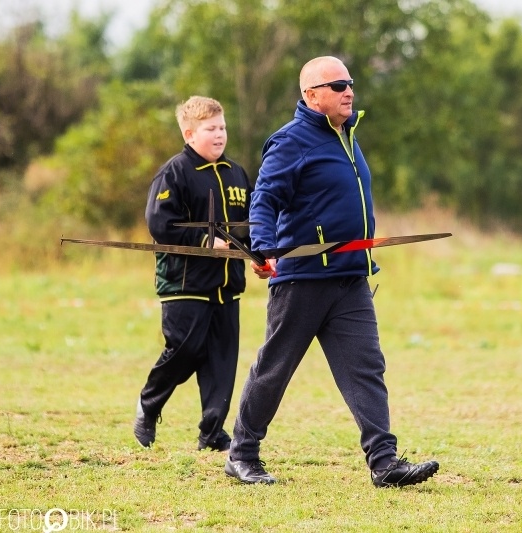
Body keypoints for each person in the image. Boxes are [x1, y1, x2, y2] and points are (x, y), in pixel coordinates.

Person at [224, 56, 440, 487]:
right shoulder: (290, 141)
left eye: (350, 83)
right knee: (275, 368)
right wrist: (263, 247)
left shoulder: (347, 137)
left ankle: (384, 462)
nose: (348, 91)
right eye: (338, 85)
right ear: (311, 96)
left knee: (366, 367)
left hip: (350, 278)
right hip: (303, 279)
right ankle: (242, 454)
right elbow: (264, 199)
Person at [133, 95, 252, 452]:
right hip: (185, 283)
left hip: (227, 284)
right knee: (185, 349)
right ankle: (149, 405)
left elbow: (249, 228)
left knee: (221, 359)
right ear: (189, 133)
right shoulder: (175, 172)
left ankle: (212, 432)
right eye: (211, 129)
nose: (219, 135)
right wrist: (203, 239)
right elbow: (159, 223)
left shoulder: (237, 173)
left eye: (223, 127)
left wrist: (258, 255)